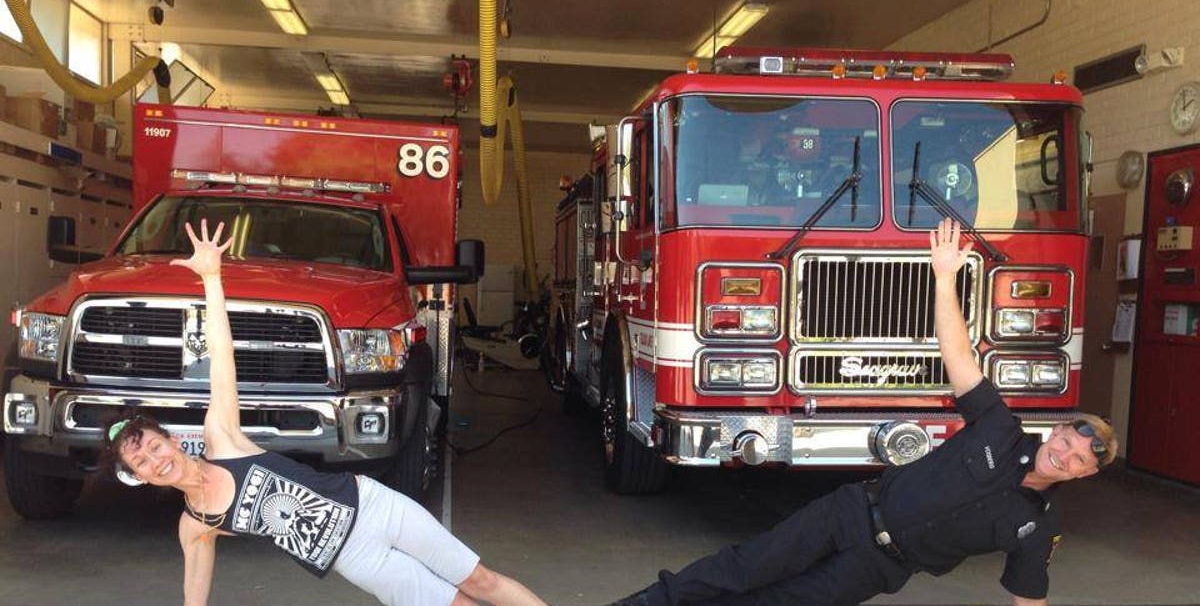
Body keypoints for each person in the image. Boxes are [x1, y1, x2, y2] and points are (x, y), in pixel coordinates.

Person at [611, 218, 1117, 606]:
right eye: (1067, 442)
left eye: (1078, 460)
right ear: (1056, 432)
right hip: (850, 513)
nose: (1065, 455)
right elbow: (958, 353)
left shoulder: (1039, 527)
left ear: (1087, 474)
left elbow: (1029, 596)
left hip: (879, 568)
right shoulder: (999, 427)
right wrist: (944, 279)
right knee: (743, 567)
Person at [101, 220, 547, 606]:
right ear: (139, 477)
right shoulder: (195, 526)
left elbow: (222, 360)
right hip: (352, 557)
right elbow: (192, 598)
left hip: (372, 506)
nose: (155, 460)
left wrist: (212, 280)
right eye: (141, 462)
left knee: (480, 580)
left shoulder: (223, 442)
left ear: (173, 440)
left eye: (154, 446)